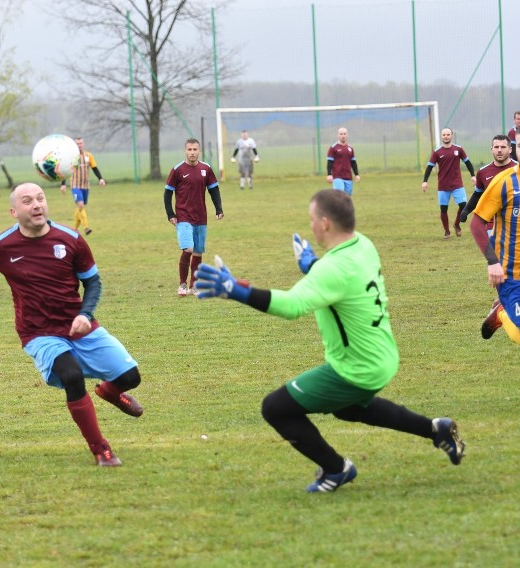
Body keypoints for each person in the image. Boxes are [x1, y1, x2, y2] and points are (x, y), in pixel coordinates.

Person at [193, 189, 465, 493]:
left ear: (325, 223)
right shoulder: (363, 244)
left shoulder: (331, 269)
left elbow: (292, 305)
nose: (310, 226)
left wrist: (236, 290)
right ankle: (434, 429)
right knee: (347, 408)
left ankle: (337, 469)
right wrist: (312, 265)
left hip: (357, 367)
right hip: (382, 355)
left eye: (311, 219)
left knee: (276, 407)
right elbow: (342, 279)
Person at [0, 182, 143, 466]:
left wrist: (85, 313)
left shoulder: (71, 239)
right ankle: (101, 449)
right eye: (28, 201)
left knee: (131, 377)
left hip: (79, 324)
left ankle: (110, 391)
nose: (37, 205)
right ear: (13, 211)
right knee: (71, 375)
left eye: (41, 198)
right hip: (38, 332)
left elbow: (92, 282)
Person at [164, 138, 224, 297]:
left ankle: (193, 286)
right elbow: (167, 193)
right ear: (185, 151)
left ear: (199, 151)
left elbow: (214, 190)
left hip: (201, 217)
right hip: (183, 216)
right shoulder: (177, 170)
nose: (192, 152)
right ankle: (182, 284)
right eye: (189, 149)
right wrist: (170, 214)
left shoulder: (206, 169)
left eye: (195, 149)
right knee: (188, 249)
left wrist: (219, 209)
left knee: (197, 252)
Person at [470, 162, 520, 344]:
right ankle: (502, 312)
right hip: (511, 275)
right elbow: (476, 223)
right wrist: (492, 262)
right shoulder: (504, 182)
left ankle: (502, 312)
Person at [422, 127, 475, 239]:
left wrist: (473, 175)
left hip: (457, 184)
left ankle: (456, 224)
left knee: (463, 205)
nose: (446, 136)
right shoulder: (437, 152)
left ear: (452, 135)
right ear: (441, 136)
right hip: (443, 185)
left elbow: (468, 163)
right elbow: (429, 167)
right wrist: (425, 181)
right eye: (444, 135)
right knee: (443, 209)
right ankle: (447, 231)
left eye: (448, 134)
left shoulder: (458, 149)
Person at [459, 134, 515, 224]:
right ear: (491, 149)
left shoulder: (518, 169)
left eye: (503, 147)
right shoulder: (483, 172)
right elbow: (477, 194)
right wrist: (466, 211)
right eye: (496, 147)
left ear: (510, 149)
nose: (499, 150)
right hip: (492, 223)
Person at [59, 137, 105, 235]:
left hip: (85, 185)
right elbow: (66, 170)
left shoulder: (88, 155)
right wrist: (63, 184)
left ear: (83, 144)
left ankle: (74, 229)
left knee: (80, 207)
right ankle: (86, 227)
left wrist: (100, 178)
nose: (79, 145)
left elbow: (94, 168)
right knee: (80, 205)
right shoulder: (71, 157)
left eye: (80, 143)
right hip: (75, 185)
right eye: (77, 144)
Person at [326, 127, 360, 196]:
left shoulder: (350, 148)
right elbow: (329, 162)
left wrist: (356, 174)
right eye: (341, 134)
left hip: (348, 177)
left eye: (344, 134)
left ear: (347, 135)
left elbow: (353, 162)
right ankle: (336, 207)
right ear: (338, 135)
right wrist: (329, 174)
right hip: (337, 177)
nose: (343, 136)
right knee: (340, 196)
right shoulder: (333, 148)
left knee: (347, 198)